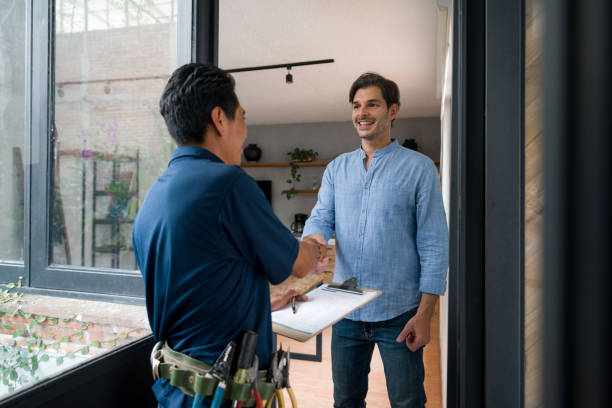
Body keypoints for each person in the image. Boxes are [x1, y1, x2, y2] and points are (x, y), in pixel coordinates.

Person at [132, 63, 324, 408]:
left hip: (175, 390)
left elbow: (196, 288)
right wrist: (313, 244)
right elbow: (298, 263)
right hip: (221, 395)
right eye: (243, 119)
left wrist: (263, 305)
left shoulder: (154, 196)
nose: (245, 132)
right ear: (220, 119)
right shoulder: (228, 184)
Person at [302, 72, 449, 408]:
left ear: (392, 111)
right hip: (347, 310)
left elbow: (434, 243)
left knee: (408, 402)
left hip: (400, 313)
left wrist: (426, 313)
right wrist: (312, 244)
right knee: (346, 401)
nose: (362, 113)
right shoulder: (337, 169)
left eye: (372, 104)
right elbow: (322, 217)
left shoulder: (420, 169)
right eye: (356, 106)